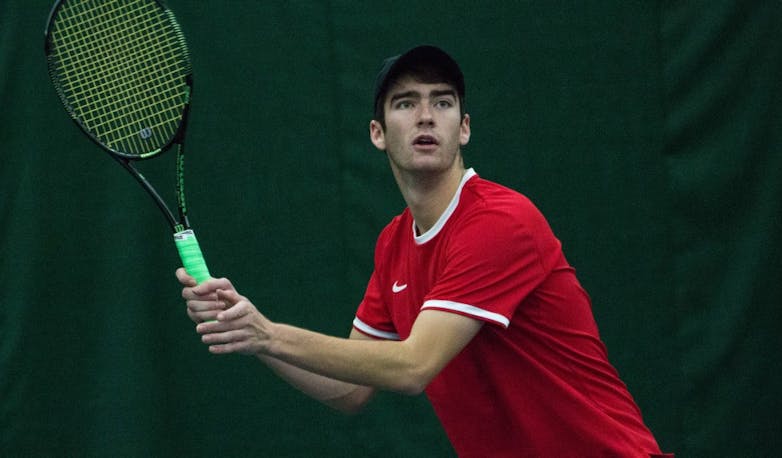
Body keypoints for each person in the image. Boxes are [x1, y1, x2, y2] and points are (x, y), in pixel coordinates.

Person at [177, 45, 671, 457]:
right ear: (377, 133)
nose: (426, 115)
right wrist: (246, 330)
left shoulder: (500, 222)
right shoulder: (394, 243)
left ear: (464, 128)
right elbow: (351, 390)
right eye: (405, 103)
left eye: (442, 100)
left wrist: (269, 333)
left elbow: (414, 366)